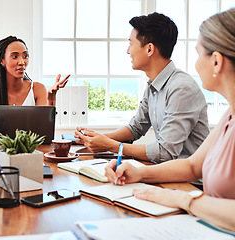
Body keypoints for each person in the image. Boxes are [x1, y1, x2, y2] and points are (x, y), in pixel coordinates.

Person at [105, 8, 235, 231]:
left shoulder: (182, 86)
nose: (194, 64)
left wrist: (183, 199)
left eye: (198, 54)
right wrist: (140, 173)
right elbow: (193, 165)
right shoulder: (229, 114)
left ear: (215, 62)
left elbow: (171, 155)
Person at [75, 13, 209, 163]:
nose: (128, 51)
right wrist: (97, 138)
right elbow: (135, 128)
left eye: (131, 44)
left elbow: (165, 152)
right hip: (166, 171)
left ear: (149, 49)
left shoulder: (182, 88)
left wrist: (112, 146)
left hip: (190, 182)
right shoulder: (154, 84)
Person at [0, 36, 70, 134]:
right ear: (2, 60)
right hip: (0, 150)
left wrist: (51, 100)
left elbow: (44, 132)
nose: (22, 62)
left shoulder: (37, 89)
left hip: (32, 150)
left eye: (25, 56)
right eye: (15, 56)